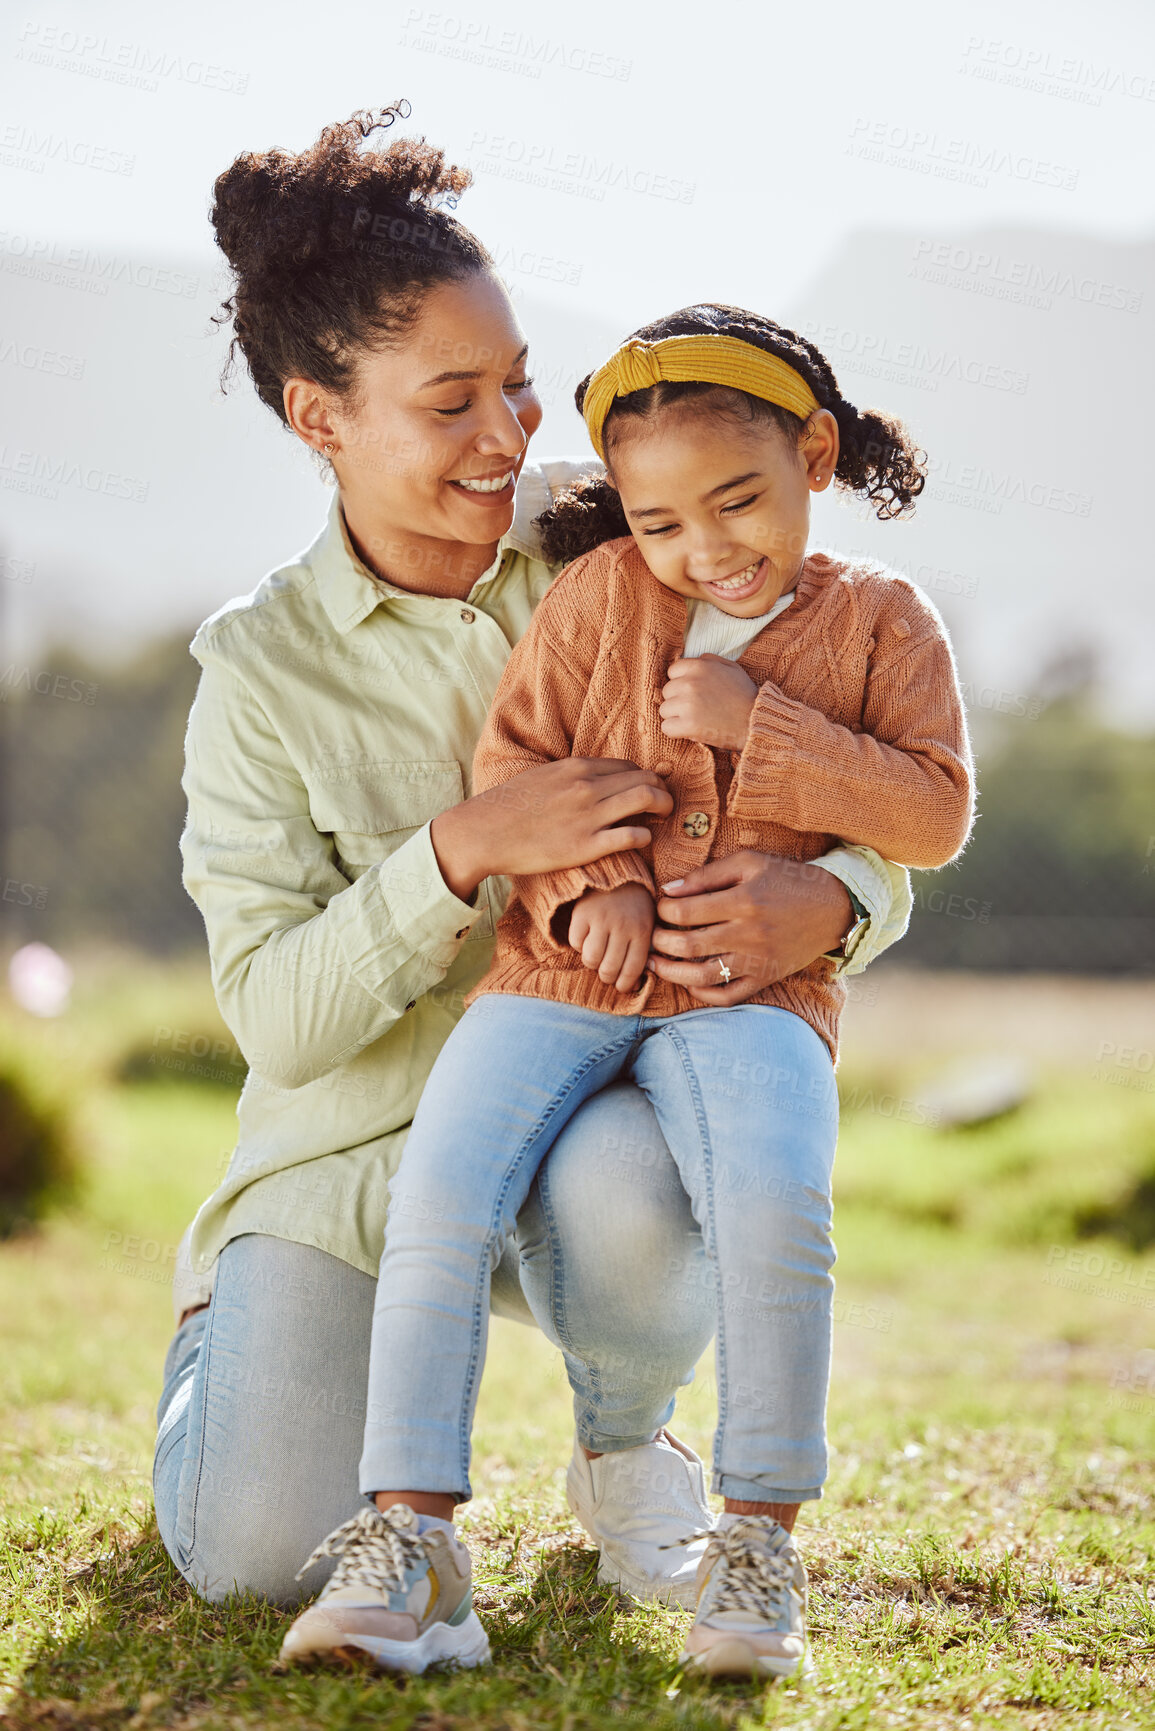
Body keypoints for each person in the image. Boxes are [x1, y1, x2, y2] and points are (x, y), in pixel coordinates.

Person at [154, 106, 912, 1622]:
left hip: (604, 1109)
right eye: (452, 406)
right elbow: (282, 1023)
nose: (509, 438)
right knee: (252, 1562)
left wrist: (841, 901)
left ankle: (627, 1441)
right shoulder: (258, 669)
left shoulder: (631, 528)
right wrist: (463, 849)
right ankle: (222, 1347)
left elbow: (849, 751)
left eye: (513, 386)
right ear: (323, 419)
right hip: (355, 1162)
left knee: (637, 1193)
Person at [279, 303, 974, 1681]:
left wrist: (763, 731)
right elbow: (511, 769)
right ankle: (407, 1539)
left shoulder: (886, 622)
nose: (705, 549)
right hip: (558, 977)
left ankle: (758, 1545)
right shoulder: (600, 601)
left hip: (750, 999)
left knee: (779, 1206)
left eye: (739, 503)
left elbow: (935, 811)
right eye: (660, 522)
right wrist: (578, 890)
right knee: (442, 1193)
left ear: (815, 455)